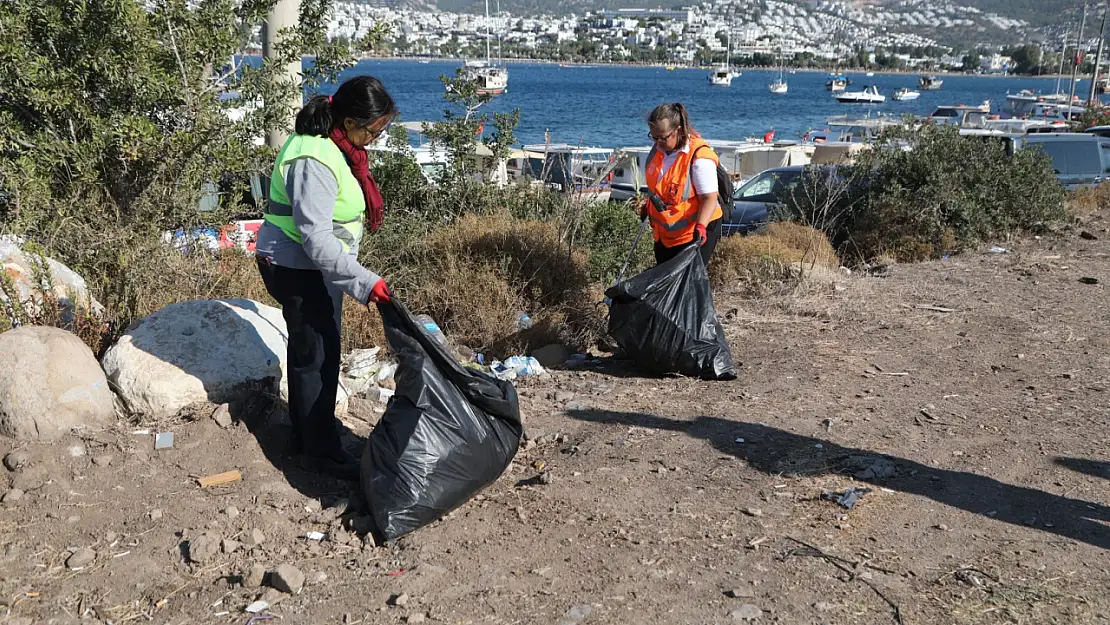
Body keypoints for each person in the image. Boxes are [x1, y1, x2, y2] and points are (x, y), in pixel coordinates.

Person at [254, 75, 395, 480]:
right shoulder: (313, 159)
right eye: (373, 130)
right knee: (314, 356)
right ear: (349, 121)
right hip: (297, 267)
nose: (375, 139)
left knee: (320, 351)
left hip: (317, 269)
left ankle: (313, 435)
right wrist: (365, 283)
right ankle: (317, 453)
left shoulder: (338, 147)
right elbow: (315, 239)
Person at [642, 103, 723, 268]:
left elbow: (709, 198)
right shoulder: (658, 150)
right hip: (665, 235)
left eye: (663, 137)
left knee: (687, 286)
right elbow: (659, 188)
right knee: (666, 283)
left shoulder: (699, 158)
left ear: (678, 130)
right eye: (653, 136)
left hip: (696, 232)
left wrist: (701, 227)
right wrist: (648, 206)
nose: (658, 142)